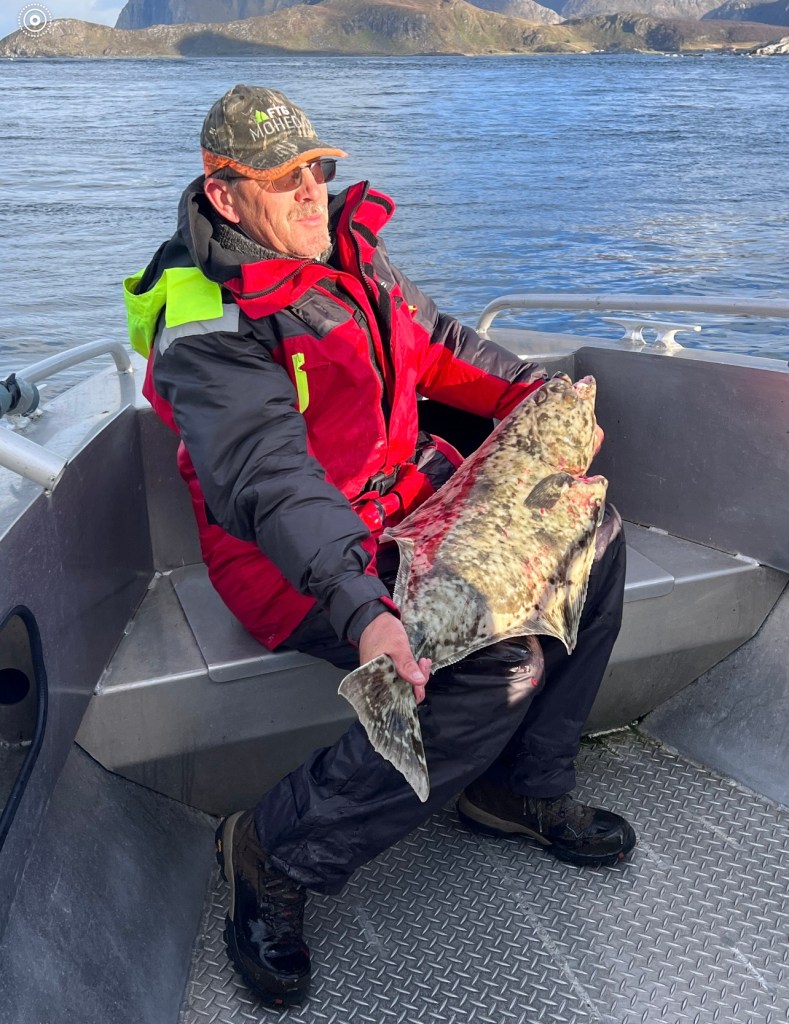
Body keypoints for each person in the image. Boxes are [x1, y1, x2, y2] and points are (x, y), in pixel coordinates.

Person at [124, 84, 635, 1009]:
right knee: (493, 666)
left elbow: (437, 346)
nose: (311, 190)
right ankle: (273, 848)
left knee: (590, 535)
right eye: (283, 178)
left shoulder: (348, 253)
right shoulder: (205, 320)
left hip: (407, 504)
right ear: (225, 194)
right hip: (295, 559)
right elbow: (271, 479)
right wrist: (363, 609)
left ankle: (518, 785)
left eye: (317, 168)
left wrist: (544, 401)